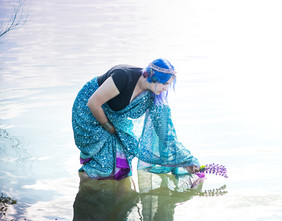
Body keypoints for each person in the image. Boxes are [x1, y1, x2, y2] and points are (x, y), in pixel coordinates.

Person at [72, 58, 200, 181]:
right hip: (89, 113)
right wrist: (109, 128)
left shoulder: (154, 95)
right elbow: (93, 103)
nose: (166, 88)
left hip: (115, 118)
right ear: (153, 77)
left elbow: (165, 133)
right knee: (102, 166)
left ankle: (109, 198)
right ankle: (86, 187)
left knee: (122, 168)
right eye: (165, 83)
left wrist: (184, 160)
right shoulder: (123, 76)